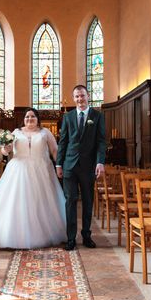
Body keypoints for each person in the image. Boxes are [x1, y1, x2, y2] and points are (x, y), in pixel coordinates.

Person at [0, 108, 67, 249]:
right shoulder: (16, 133)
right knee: (17, 201)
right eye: (27, 117)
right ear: (23, 119)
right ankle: (11, 235)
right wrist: (5, 148)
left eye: (32, 116)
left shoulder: (45, 132)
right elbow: (5, 151)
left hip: (42, 169)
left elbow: (55, 150)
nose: (30, 119)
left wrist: (60, 166)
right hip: (18, 169)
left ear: (38, 118)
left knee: (42, 201)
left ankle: (43, 234)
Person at [56, 85, 106, 251]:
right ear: (73, 98)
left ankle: (86, 235)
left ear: (88, 96)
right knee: (70, 201)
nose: (80, 99)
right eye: (76, 96)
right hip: (69, 166)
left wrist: (100, 162)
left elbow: (101, 141)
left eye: (82, 96)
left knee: (87, 201)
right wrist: (59, 163)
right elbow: (63, 141)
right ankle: (70, 238)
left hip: (88, 166)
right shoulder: (68, 116)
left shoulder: (97, 116)